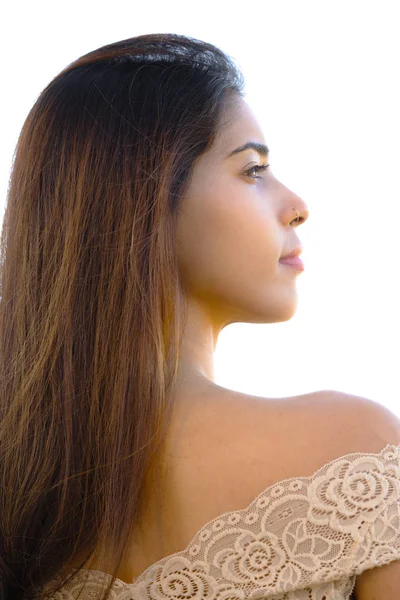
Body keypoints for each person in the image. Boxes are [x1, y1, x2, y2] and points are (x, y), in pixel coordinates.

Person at [0, 32, 399, 600]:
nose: (297, 205)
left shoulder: (19, 485)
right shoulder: (356, 449)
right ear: (148, 198)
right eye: (253, 169)